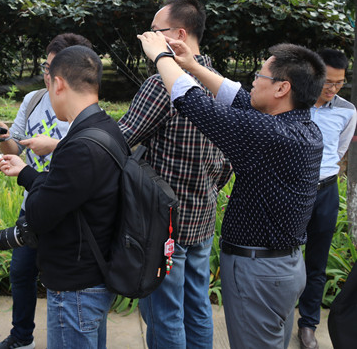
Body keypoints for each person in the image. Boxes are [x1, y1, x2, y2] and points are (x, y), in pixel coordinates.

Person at [137, 32, 325, 349]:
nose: (252, 82)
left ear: (282, 88)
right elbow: (238, 97)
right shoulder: (303, 127)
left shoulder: (267, 134)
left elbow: (192, 102)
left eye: (259, 76)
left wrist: (161, 57)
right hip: (283, 267)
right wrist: (191, 65)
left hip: (258, 272)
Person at [118, 0, 232, 349]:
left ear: (179, 34)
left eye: (155, 31)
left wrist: (63, 143)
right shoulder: (221, 85)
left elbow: (120, 139)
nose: (147, 38)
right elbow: (229, 161)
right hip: (202, 218)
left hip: (163, 224)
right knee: (197, 306)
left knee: (164, 311)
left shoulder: (162, 85)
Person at [0, 45, 123, 349]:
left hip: (75, 287)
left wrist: (31, 182)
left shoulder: (77, 146)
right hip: (95, 272)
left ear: (58, 83)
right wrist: (26, 173)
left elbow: (40, 214)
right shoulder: (107, 128)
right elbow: (68, 193)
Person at [0, 33, 92, 349]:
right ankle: (22, 337)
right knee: (21, 272)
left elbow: (93, 149)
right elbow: (16, 146)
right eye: (46, 67)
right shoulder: (33, 99)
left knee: (62, 283)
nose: (48, 75)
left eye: (54, 68)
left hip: (66, 210)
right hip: (32, 202)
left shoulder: (84, 106)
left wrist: (55, 145)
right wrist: (4, 137)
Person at [297, 49, 357, 349]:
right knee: (283, 257)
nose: (332, 88)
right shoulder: (294, 102)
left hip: (326, 191)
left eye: (339, 83)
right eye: (327, 82)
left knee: (317, 262)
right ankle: (279, 316)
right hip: (293, 190)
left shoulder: (348, 111)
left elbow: (339, 150)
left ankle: (308, 324)